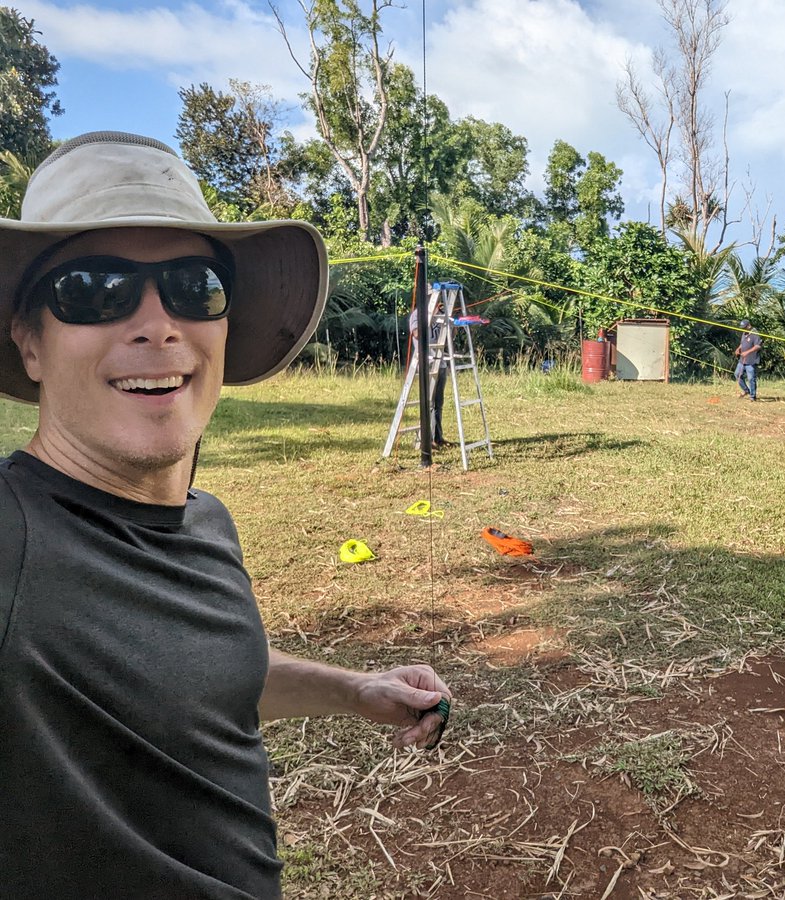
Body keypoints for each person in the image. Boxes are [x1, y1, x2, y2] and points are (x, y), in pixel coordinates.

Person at [0, 131, 451, 899]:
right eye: (93, 289)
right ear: (31, 343)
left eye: (192, 286)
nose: (157, 325)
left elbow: (186, 673)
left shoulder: (206, 520)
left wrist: (352, 691)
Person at [407, 301, 449, 447]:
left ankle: (438, 438)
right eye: (438, 302)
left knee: (438, 403)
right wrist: (430, 318)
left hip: (441, 363)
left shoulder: (442, 315)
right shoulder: (417, 315)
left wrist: (450, 322)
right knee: (428, 403)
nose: (440, 305)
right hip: (426, 364)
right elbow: (417, 334)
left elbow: (450, 338)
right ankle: (427, 439)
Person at [734, 318, 763, 400]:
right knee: (737, 374)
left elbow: (758, 346)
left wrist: (747, 352)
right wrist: (738, 349)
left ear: (749, 326)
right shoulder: (744, 333)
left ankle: (752, 396)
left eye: (744, 327)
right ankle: (746, 390)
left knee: (751, 378)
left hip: (751, 360)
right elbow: (742, 344)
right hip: (742, 359)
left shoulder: (755, 334)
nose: (743, 329)